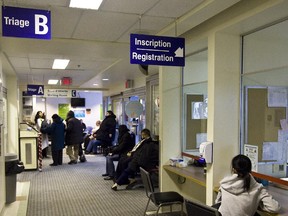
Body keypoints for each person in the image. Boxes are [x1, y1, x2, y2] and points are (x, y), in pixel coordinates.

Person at [214, 154, 281, 216]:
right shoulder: (257, 188)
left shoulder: (225, 184)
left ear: (233, 169)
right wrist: (256, 204)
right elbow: (274, 208)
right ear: (250, 169)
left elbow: (218, 202)